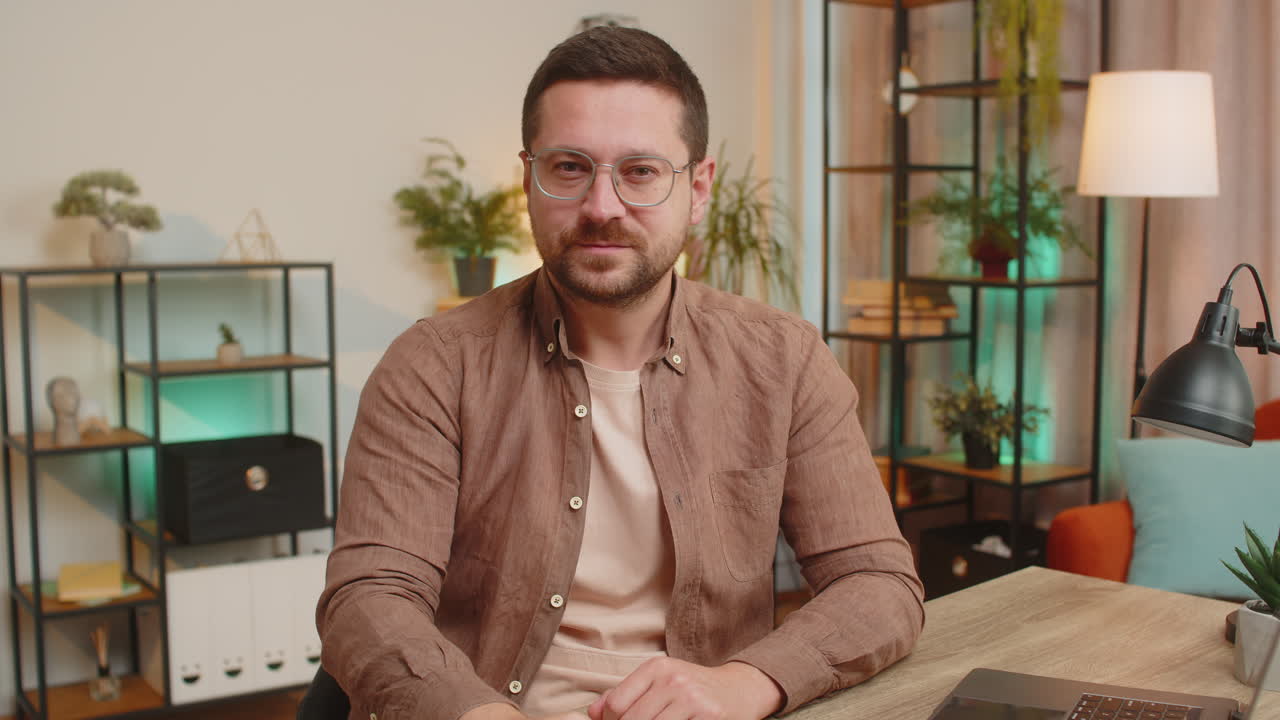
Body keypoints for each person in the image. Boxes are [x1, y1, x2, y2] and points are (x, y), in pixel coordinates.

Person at [318, 26, 924, 720]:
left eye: (640, 171)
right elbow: (369, 597)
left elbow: (878, 583)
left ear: (697, 189)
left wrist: (745, 682)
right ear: (529, 181)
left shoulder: (783, 361)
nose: (602, 206)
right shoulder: (431, 365)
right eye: (570, 167)